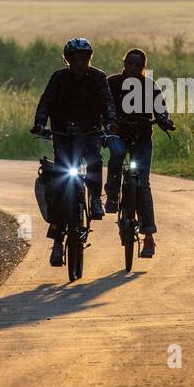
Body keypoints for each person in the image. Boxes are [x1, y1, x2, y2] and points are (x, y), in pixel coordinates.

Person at [31, 38, 118, 267]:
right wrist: (40, 123)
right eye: (75, 59)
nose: (80, 63)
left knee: (95, 159)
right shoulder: (58, 78)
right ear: (68, 60)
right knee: (60, 188)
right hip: (63, 136)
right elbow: (45, 102)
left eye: (84, 59)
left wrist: (110, 123)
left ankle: (96, 199)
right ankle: (58, 243)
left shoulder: (98, 78)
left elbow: (108, 103)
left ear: (89, 59)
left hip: (91, 133)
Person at [105, 48, 175, 259]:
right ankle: (111, 196)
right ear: (124, 63)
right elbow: (104, 106)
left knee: (143, 184)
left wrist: (164, 119)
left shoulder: (149, 85)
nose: (133, 68)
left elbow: (160, 108)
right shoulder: (112, 83)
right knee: (116, 155)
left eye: (138, 65)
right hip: (119, 136)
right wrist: (108, 124)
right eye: (130, 64)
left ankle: (149, 238)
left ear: (143, 67)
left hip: (142, 139)